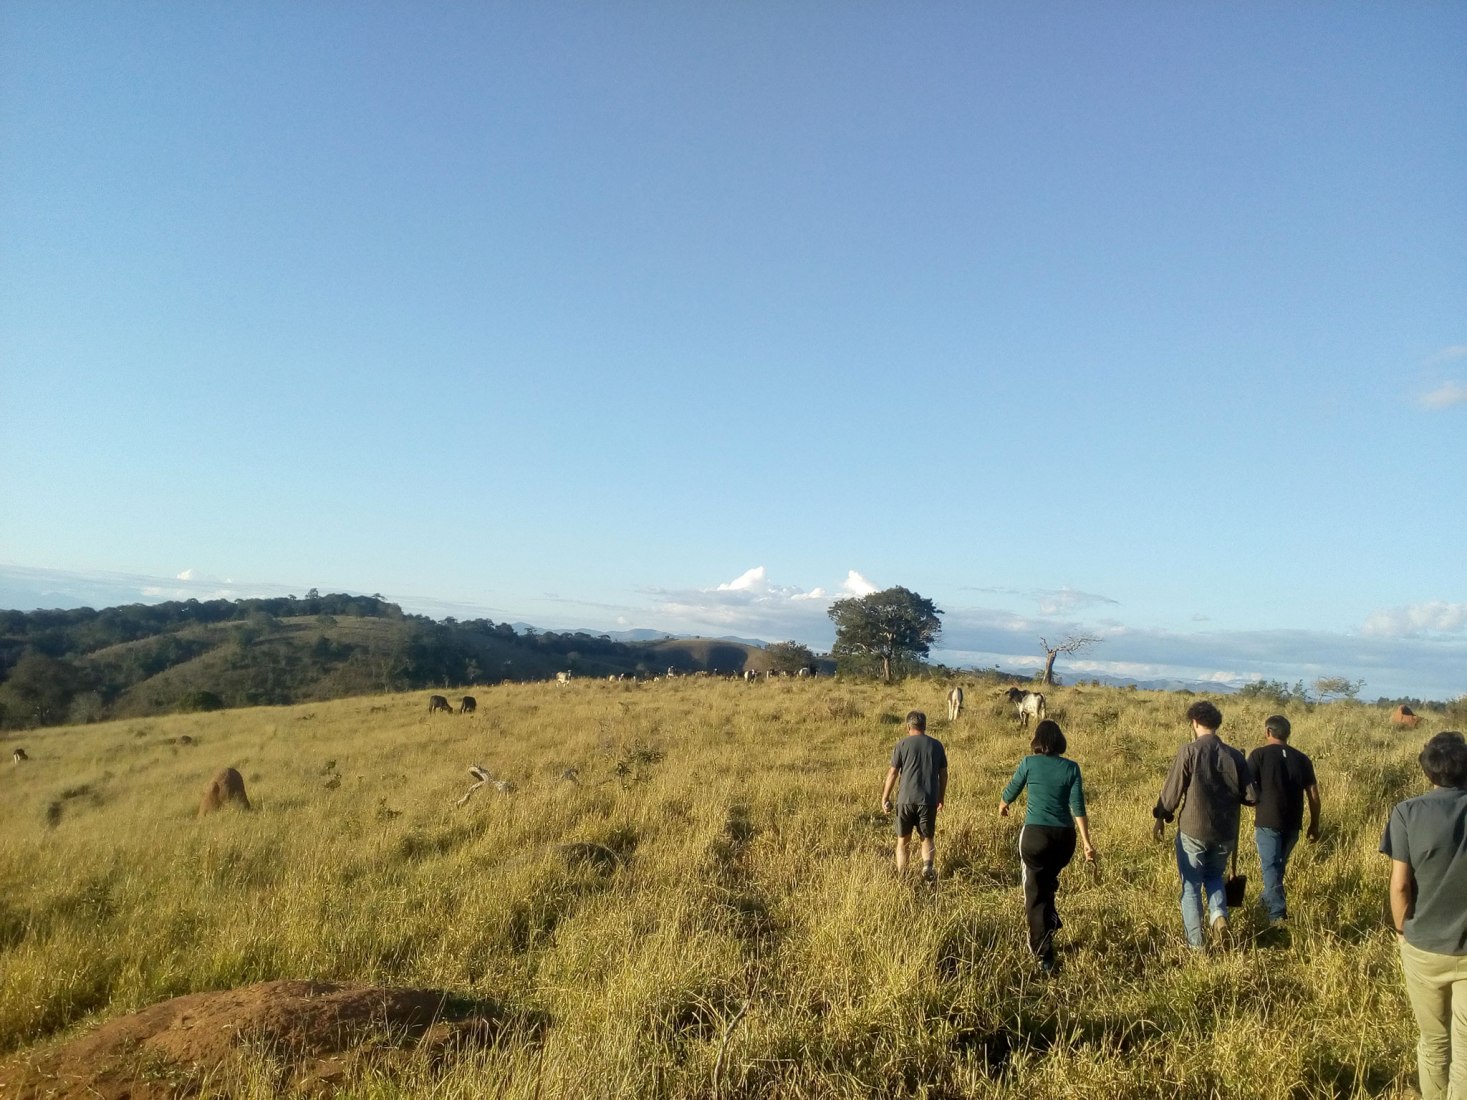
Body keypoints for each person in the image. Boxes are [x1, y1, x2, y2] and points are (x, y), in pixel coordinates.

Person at [1379, 730, 1467, 1100]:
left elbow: (1400, 885)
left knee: (1433, 1043)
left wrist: (1403, 931)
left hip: (1424, 946)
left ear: (1428, 770)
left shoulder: (1407, 812)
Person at [1151, 700, 1255, 949]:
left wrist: (1161, 817)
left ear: (1194, 722)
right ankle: (1218, 916)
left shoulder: (1189, 751)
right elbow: (1251, 797)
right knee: (1214, 876)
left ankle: (1196, 945)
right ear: (1216, 724)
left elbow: (1172, 792)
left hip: (1194, 829)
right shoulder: (1235, 755)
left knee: (1191, 886)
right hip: (1225, 831)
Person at [999, 719, 1097, 974]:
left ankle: (1043, 954)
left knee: (1033, 893)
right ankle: (1050, 920)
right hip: (1065, 840)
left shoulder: (1029, 763)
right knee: (1047, 881)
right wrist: (1087, 843)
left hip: (1035, 837)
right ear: (1059, 741)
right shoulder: (1071, 768)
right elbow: (1078, 807)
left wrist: (1003, 804)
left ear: (1037, 740)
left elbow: (1011, 789)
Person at [1247, 714, 1321, 926]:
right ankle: (1263, 904)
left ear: (1268, 732)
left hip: (1268, 821)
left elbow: (1247, 789)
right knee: (1276, 868)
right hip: (1293, 823)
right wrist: (1314, 824)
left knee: (1271, 868)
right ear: (1288, 734)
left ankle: (1277, 917)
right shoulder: (1302, 759)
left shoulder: (1259, 755)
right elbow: (1314, 795)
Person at [880, 710, 947, 882]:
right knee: (927, 837)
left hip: (905, 800)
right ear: (925, 726)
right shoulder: (937, 745)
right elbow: (943, 775)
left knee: (903, 841)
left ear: (908, 727)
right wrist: (941, 797)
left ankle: (903, 875)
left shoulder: (902, 744)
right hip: (929, 799)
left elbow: (893, 773)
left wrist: (885, 797)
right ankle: (927, 866)